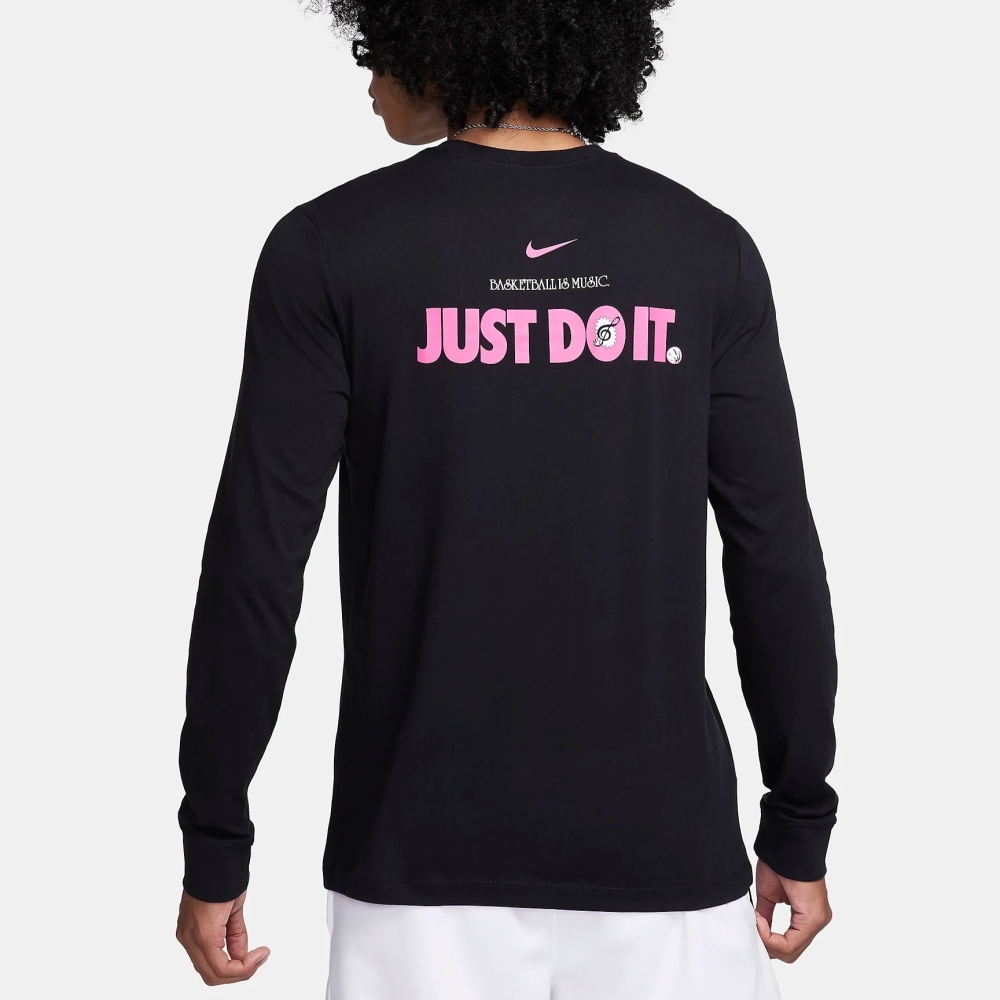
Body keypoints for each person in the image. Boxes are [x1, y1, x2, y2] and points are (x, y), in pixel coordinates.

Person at [175, 2, 838, 996]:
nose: (365, 69)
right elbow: (774, 556)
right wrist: (797, 818)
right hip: (661, 852)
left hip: (416, 863)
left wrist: (216, 837)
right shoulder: (705, 251)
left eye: (375, 40)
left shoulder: (329, 249)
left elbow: (255, 565)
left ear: (430, 33)